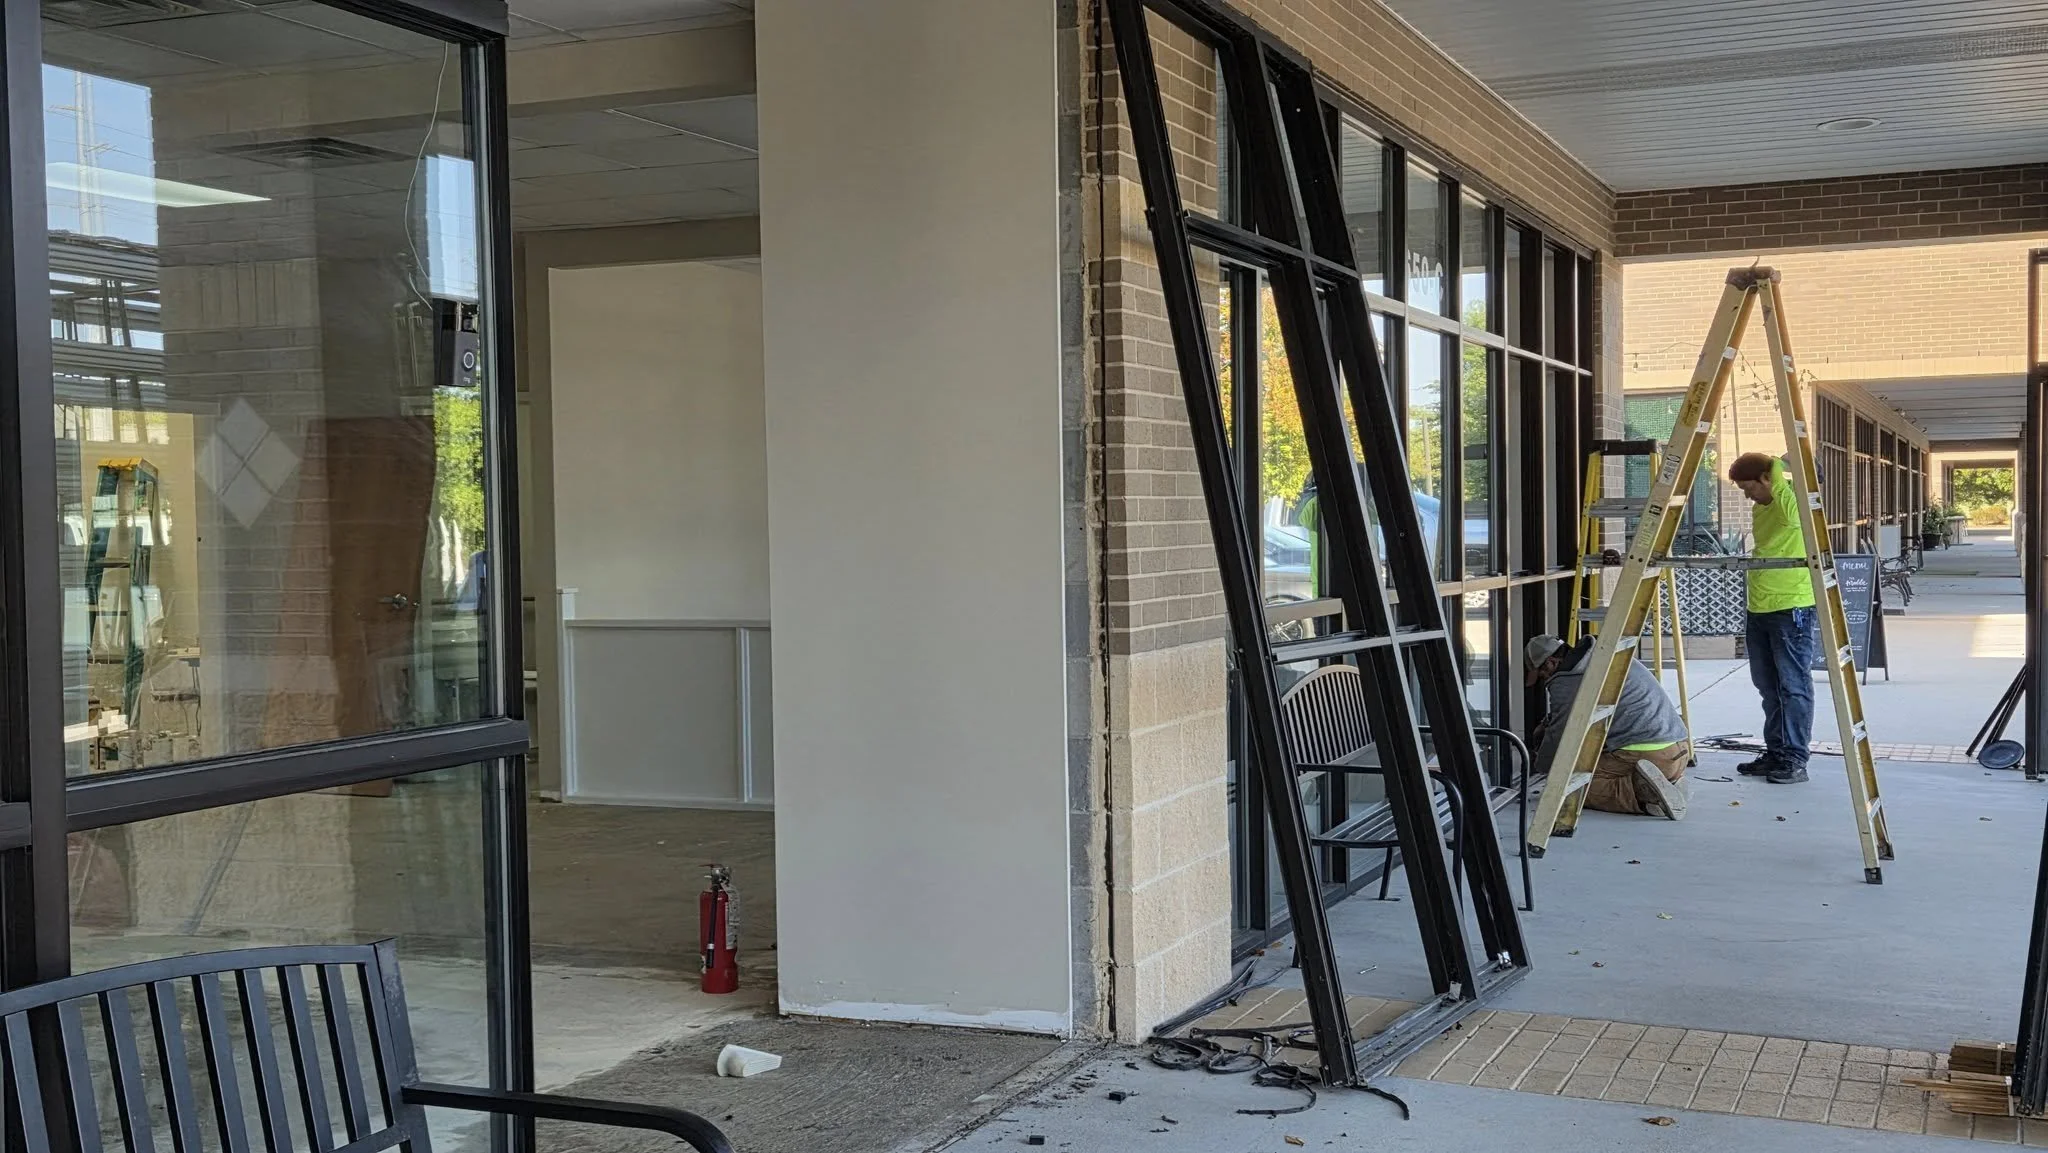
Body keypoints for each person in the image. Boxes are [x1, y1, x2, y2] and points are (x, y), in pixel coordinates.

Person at [1527, 634, 1691, 820]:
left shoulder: (1566, 680)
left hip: (1646, 755)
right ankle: (1670, 781)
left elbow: (1559, 734)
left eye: (1541, 675)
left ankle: (1647, 799)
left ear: (1550, 663)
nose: (1544, 681)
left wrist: (1541, 767)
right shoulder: (1605, 653)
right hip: (1677, 750)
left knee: (1566, 785)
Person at [1728, 451, 1817, 784]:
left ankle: (1795, 758)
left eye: (1749, 486)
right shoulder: (1761, 507)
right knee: (1768, 687)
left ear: (1767, 479)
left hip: (1791, 607)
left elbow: (1795, 522)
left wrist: (1777, 468)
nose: (1746, 494)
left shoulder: (1791, 503)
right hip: (1760, 607)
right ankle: (1777, 752)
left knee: (1793, 686)